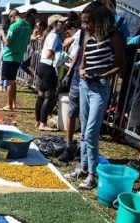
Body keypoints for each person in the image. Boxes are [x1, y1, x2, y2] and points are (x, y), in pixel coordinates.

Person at [66, 2, 124, 190]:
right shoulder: (88, 37)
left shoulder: (113, 36)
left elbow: (119, 65)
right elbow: (83, 62)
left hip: (100, 87)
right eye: (83, 23)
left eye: (88, 22)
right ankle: (83, 167)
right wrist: (82, 72)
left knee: (91, 132)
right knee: (84, 131)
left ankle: (93, 173)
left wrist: (102, 75)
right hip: (85, 85)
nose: (85, 26)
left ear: (99, 21)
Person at [58, 19, 83, 162]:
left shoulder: (112, 33)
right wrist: (70, 72)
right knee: (72, 111)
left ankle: (82, 148)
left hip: (93, 80)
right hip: (77, 76)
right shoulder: (83, 34)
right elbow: (79, 52)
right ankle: (69, 145)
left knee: (84, 115)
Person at [35, 15, 65, 132]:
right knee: (49, 95)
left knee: (41, 95)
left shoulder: (49, 35)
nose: (63, 25)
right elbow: (49, 54)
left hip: (42, 65)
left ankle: (38, 121)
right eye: (60, 22)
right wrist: (60, 57)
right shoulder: (54, 36)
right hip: (48, 66)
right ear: (54, 24)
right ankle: (43, 123)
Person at [0, 9, 33, 112]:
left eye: (10, 17)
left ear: (13, 15)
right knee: (13, 81)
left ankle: (9, 105)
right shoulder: (27, 25)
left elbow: (7, 42)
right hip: (19, 56)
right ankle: (13, 103)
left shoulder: (14, 26)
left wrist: (2, 33)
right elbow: (28, 41)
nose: (10, 20)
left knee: (9, 81)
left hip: (10, 56)